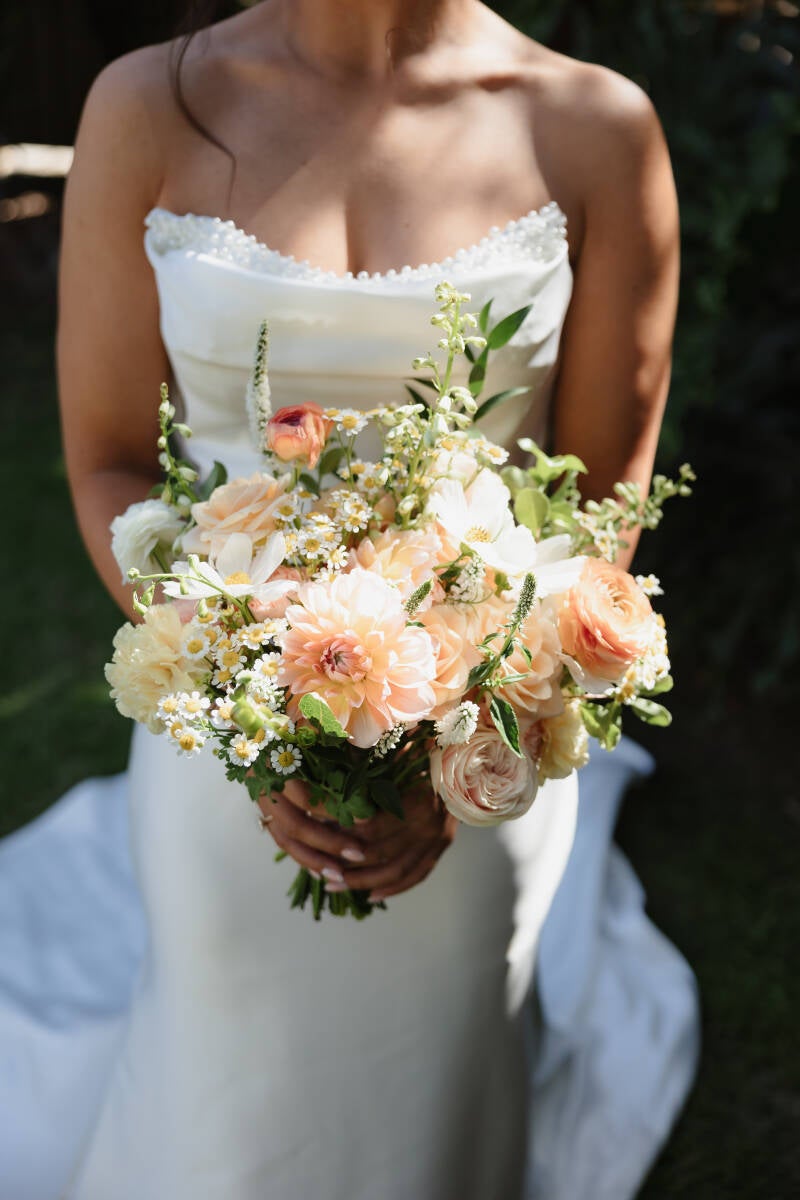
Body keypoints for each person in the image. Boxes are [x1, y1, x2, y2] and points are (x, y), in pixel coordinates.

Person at [0, 1, 699, 1196]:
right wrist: (242, 703)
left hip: (482, 765)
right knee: (222, 1094)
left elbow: (598, 509)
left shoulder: (594, 129)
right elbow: (110, 460)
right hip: (226, 759)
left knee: (437, 1088)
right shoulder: (147, 106)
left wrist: (460, 747)